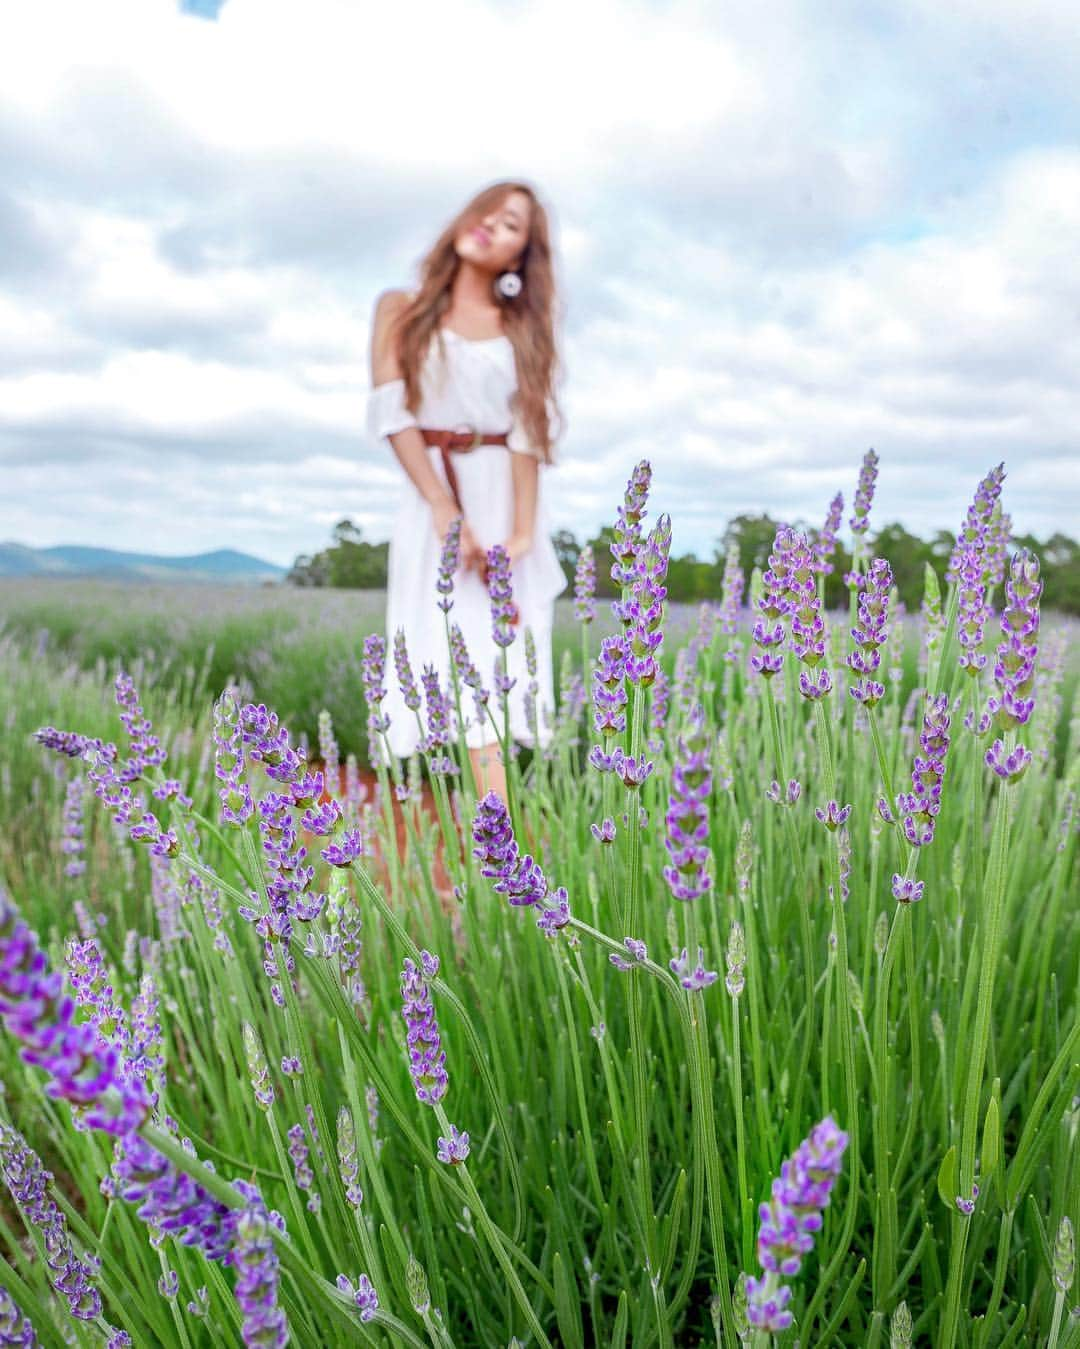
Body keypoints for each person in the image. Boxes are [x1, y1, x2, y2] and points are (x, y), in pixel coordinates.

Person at [365, 180, 568, 801]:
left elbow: (529, 432)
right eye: (489, 211)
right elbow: (392, 415)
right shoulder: (400, 306)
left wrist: (523, 535)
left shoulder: (521, 324)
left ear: (519, 258)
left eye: (512, 226)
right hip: (435, 497)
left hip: (505, 499)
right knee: (437, 657)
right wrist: (446, 511)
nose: (491, 226)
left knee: (495, 668)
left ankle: (496, 858)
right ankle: (465, 851)